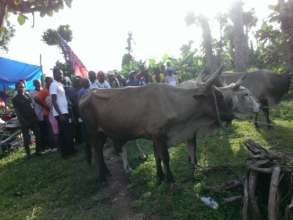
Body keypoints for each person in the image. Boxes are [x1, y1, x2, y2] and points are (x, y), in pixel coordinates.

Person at [12, 80, 43, 158]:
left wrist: (35, 116)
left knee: (38, 134)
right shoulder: (15, 99)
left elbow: (32, 106)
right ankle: (28, 153)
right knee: (26, 138)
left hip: (33, 119)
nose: (22, 88)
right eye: (20, 87)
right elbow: (17, 112)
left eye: (23, 87)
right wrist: (22, 121)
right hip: (24, 120)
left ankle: (38, 150)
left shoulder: (28, 95)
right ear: (16, 88)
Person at [49, 68, 75, 158]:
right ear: (54, 74)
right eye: (59, 73)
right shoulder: (53, 85)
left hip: (65, 111)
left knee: (68, 132)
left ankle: (71, 150)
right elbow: (54, 100)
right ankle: (65, 153)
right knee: (63, 134)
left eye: (62, 73)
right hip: (60, 113)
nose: (61, 75)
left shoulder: (60, 84)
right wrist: (60, 114)